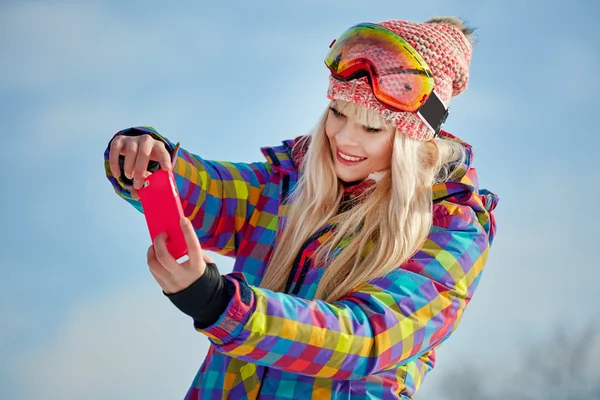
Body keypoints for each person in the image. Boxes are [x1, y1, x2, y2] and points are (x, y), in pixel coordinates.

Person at [104, 16, 499, 400]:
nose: (343, 138)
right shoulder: (293, 186)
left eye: (372, 128)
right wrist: (151, 159)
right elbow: (214, 195)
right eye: (338, 114)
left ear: (412, 141)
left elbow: (364, 337)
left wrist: (220, 304)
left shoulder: (450, 231)